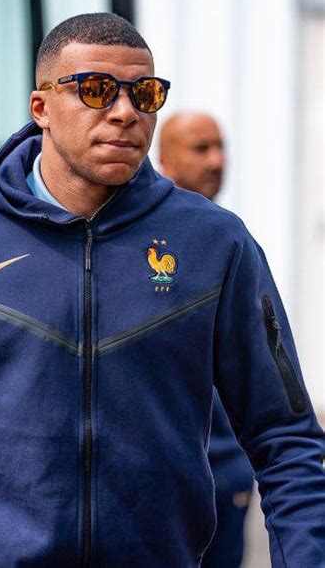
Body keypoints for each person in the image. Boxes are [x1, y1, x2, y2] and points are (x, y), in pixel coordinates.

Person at [0, 13, 324, 568]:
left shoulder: (216, 244)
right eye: (96, 90)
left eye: (144, 94)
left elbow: (285, 438)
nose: (125, 112)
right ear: (41, 107)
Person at [159, 113, 254, 567]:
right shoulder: (143, 246)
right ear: (164, 158)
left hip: (226, 476)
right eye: (201, 149)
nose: (217, 161)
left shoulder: (229, 240)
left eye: (220, 147)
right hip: (162, 486)